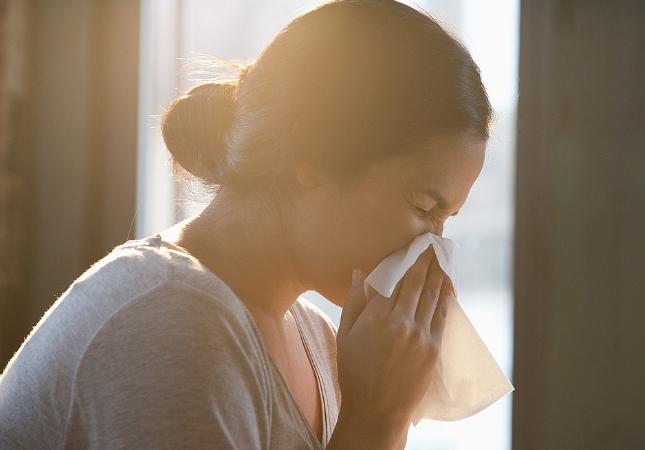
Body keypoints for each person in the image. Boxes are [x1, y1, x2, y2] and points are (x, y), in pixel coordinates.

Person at [0, 0, 491, 448]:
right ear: (315, 154)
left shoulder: (318, 341)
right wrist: (376, 422)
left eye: (446, 220)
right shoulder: (173, 323)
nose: (432, 247)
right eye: (425, 206)